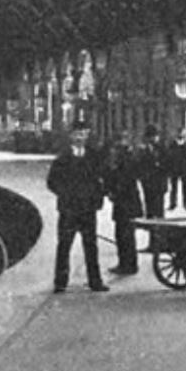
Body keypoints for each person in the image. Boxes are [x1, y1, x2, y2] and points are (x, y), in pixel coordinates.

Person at [47, 121, 109, 293]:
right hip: (68, 210)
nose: (80, 137)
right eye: (77, 134)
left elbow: (101, 180)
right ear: (71, 136)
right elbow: (52, 182)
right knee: (64, 246)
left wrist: (97, 198)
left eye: (83, 134)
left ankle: (95, 281)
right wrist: (66, 194)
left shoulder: (94, 157)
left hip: (88, 209)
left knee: (91, 246)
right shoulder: (62, 158)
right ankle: (60, 282)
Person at [105, 130, 143, 275]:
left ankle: (127, 265)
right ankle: (128, 263)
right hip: (128, 201)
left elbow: (122, 179)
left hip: (125, 202)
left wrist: (112, 191)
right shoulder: (129, 156)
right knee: (125, 234)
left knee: (124, 234)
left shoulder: (125, 158)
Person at [134, 124, 168, 221]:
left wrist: (160, 166)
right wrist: (143, 177)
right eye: (152, 136)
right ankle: (151, 224)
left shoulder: (162, 148)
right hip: (148, 182)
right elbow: (139, 165)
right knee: (149, 204)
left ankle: (160, 225)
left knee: (160, 206)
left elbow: (168, 163)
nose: (155, 138)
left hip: (160, 182)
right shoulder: (143, 150)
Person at [164, 126, 186, 211]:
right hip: (174, 169)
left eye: (182, 132)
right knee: (174, 187)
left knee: (185, 187)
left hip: (185, 169)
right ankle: (173, 203)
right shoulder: (172, 144)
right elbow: (169, 156)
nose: (181, 134)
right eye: (179, 132)